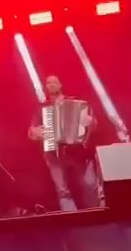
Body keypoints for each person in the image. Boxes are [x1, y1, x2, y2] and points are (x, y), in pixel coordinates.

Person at [27, 75, 106, 212]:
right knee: (63, 190)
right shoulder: (43, 108)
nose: (51, 85)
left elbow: (93, 125)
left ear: (60, 85)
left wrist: (90, 122)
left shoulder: (76, 102)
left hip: (77, 151)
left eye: (54, 82)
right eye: (48, 83)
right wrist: (37, 132)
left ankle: (96, 213)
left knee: (89, 184)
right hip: (54, 153)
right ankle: (71, 217)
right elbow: (31, 132)